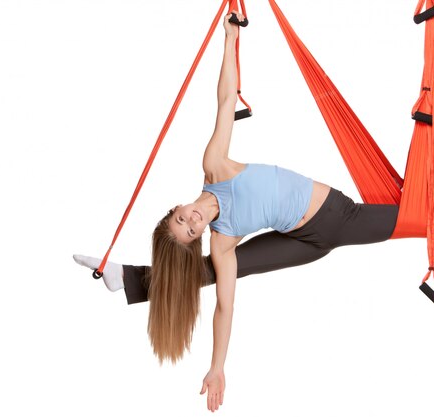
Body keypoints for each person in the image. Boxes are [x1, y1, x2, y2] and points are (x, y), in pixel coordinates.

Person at [74, 11, 398, 413]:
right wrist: (217, 367)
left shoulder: (215, 166)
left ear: (179, 206)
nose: (193, 222)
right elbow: (225, 307)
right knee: (224, 267)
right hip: (309, 244)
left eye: (182, 219)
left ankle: (128, 279)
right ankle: (126, 277)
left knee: (418, 220)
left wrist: (229, 40)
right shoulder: (222, 238)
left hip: (336, 217)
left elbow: (226, 99)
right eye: (191, 232)